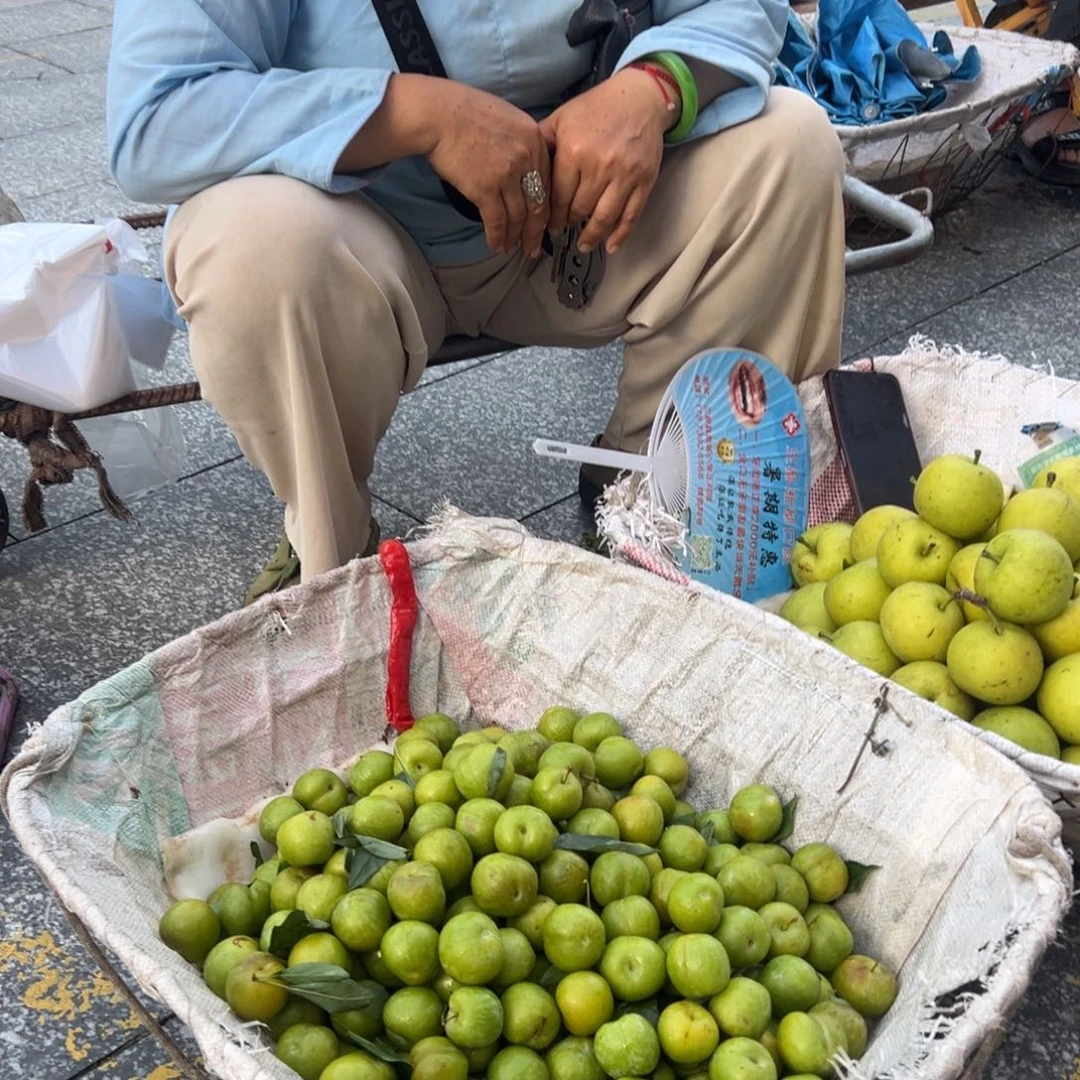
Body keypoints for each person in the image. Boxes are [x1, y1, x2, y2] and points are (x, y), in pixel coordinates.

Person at [106, 0, 846, 603]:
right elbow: (157, 116)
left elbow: (742, 8)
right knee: (251, 247)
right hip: (354, 230)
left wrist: (654, 87)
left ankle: (657, 497)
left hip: (582, 215)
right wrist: (419, 115)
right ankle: (334, 558)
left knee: (790, 144)